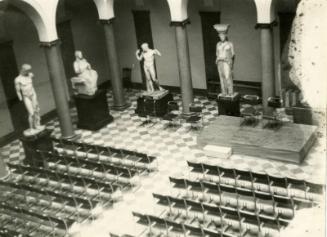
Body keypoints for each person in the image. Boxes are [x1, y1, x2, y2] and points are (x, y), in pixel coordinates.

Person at [15, 64, 44, 136]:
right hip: (26, 97)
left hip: (33, 95)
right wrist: (20, 99)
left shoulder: (30, 75)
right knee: (31, 113)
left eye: (29, 70)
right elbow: (18, 91)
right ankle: (31, 128)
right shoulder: (18, 79)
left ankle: (37, 125)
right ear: (23, 70)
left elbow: (32, 86)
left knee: (37, 110)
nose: (28, 72)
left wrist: (34, 95)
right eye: (27, 70)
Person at [214, 24, 235, 96]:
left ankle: (230, 92)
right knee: (221, 77)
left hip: (226, 62)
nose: (221, 37)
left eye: (223, 35)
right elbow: (217, 53)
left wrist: (226, 58)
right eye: (220, 36)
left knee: (227, 76)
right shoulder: (218, 44)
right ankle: (224, 92)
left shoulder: (230, 44)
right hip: (219, 62)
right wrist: (218, 58)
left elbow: (232, 54)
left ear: (225, 36)